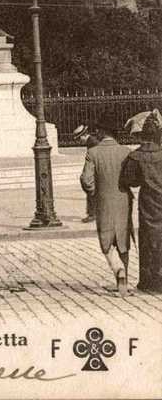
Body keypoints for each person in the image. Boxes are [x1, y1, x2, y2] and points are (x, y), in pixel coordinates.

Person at [80, 111, 132, 297]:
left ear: (102, 132)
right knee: (123, 240)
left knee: (106, 241)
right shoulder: (126, 152)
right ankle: (124, 285)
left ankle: (118, 270)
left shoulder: (93, 152)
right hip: (124, 200)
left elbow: (86, 180)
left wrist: (94, 192)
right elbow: (132, 178)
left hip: (103, 201)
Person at [119, 113, 162, 294]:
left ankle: (149, 280)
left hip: (149, 203)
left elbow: (129, 181)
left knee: (148, 239)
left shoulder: (135, 156)